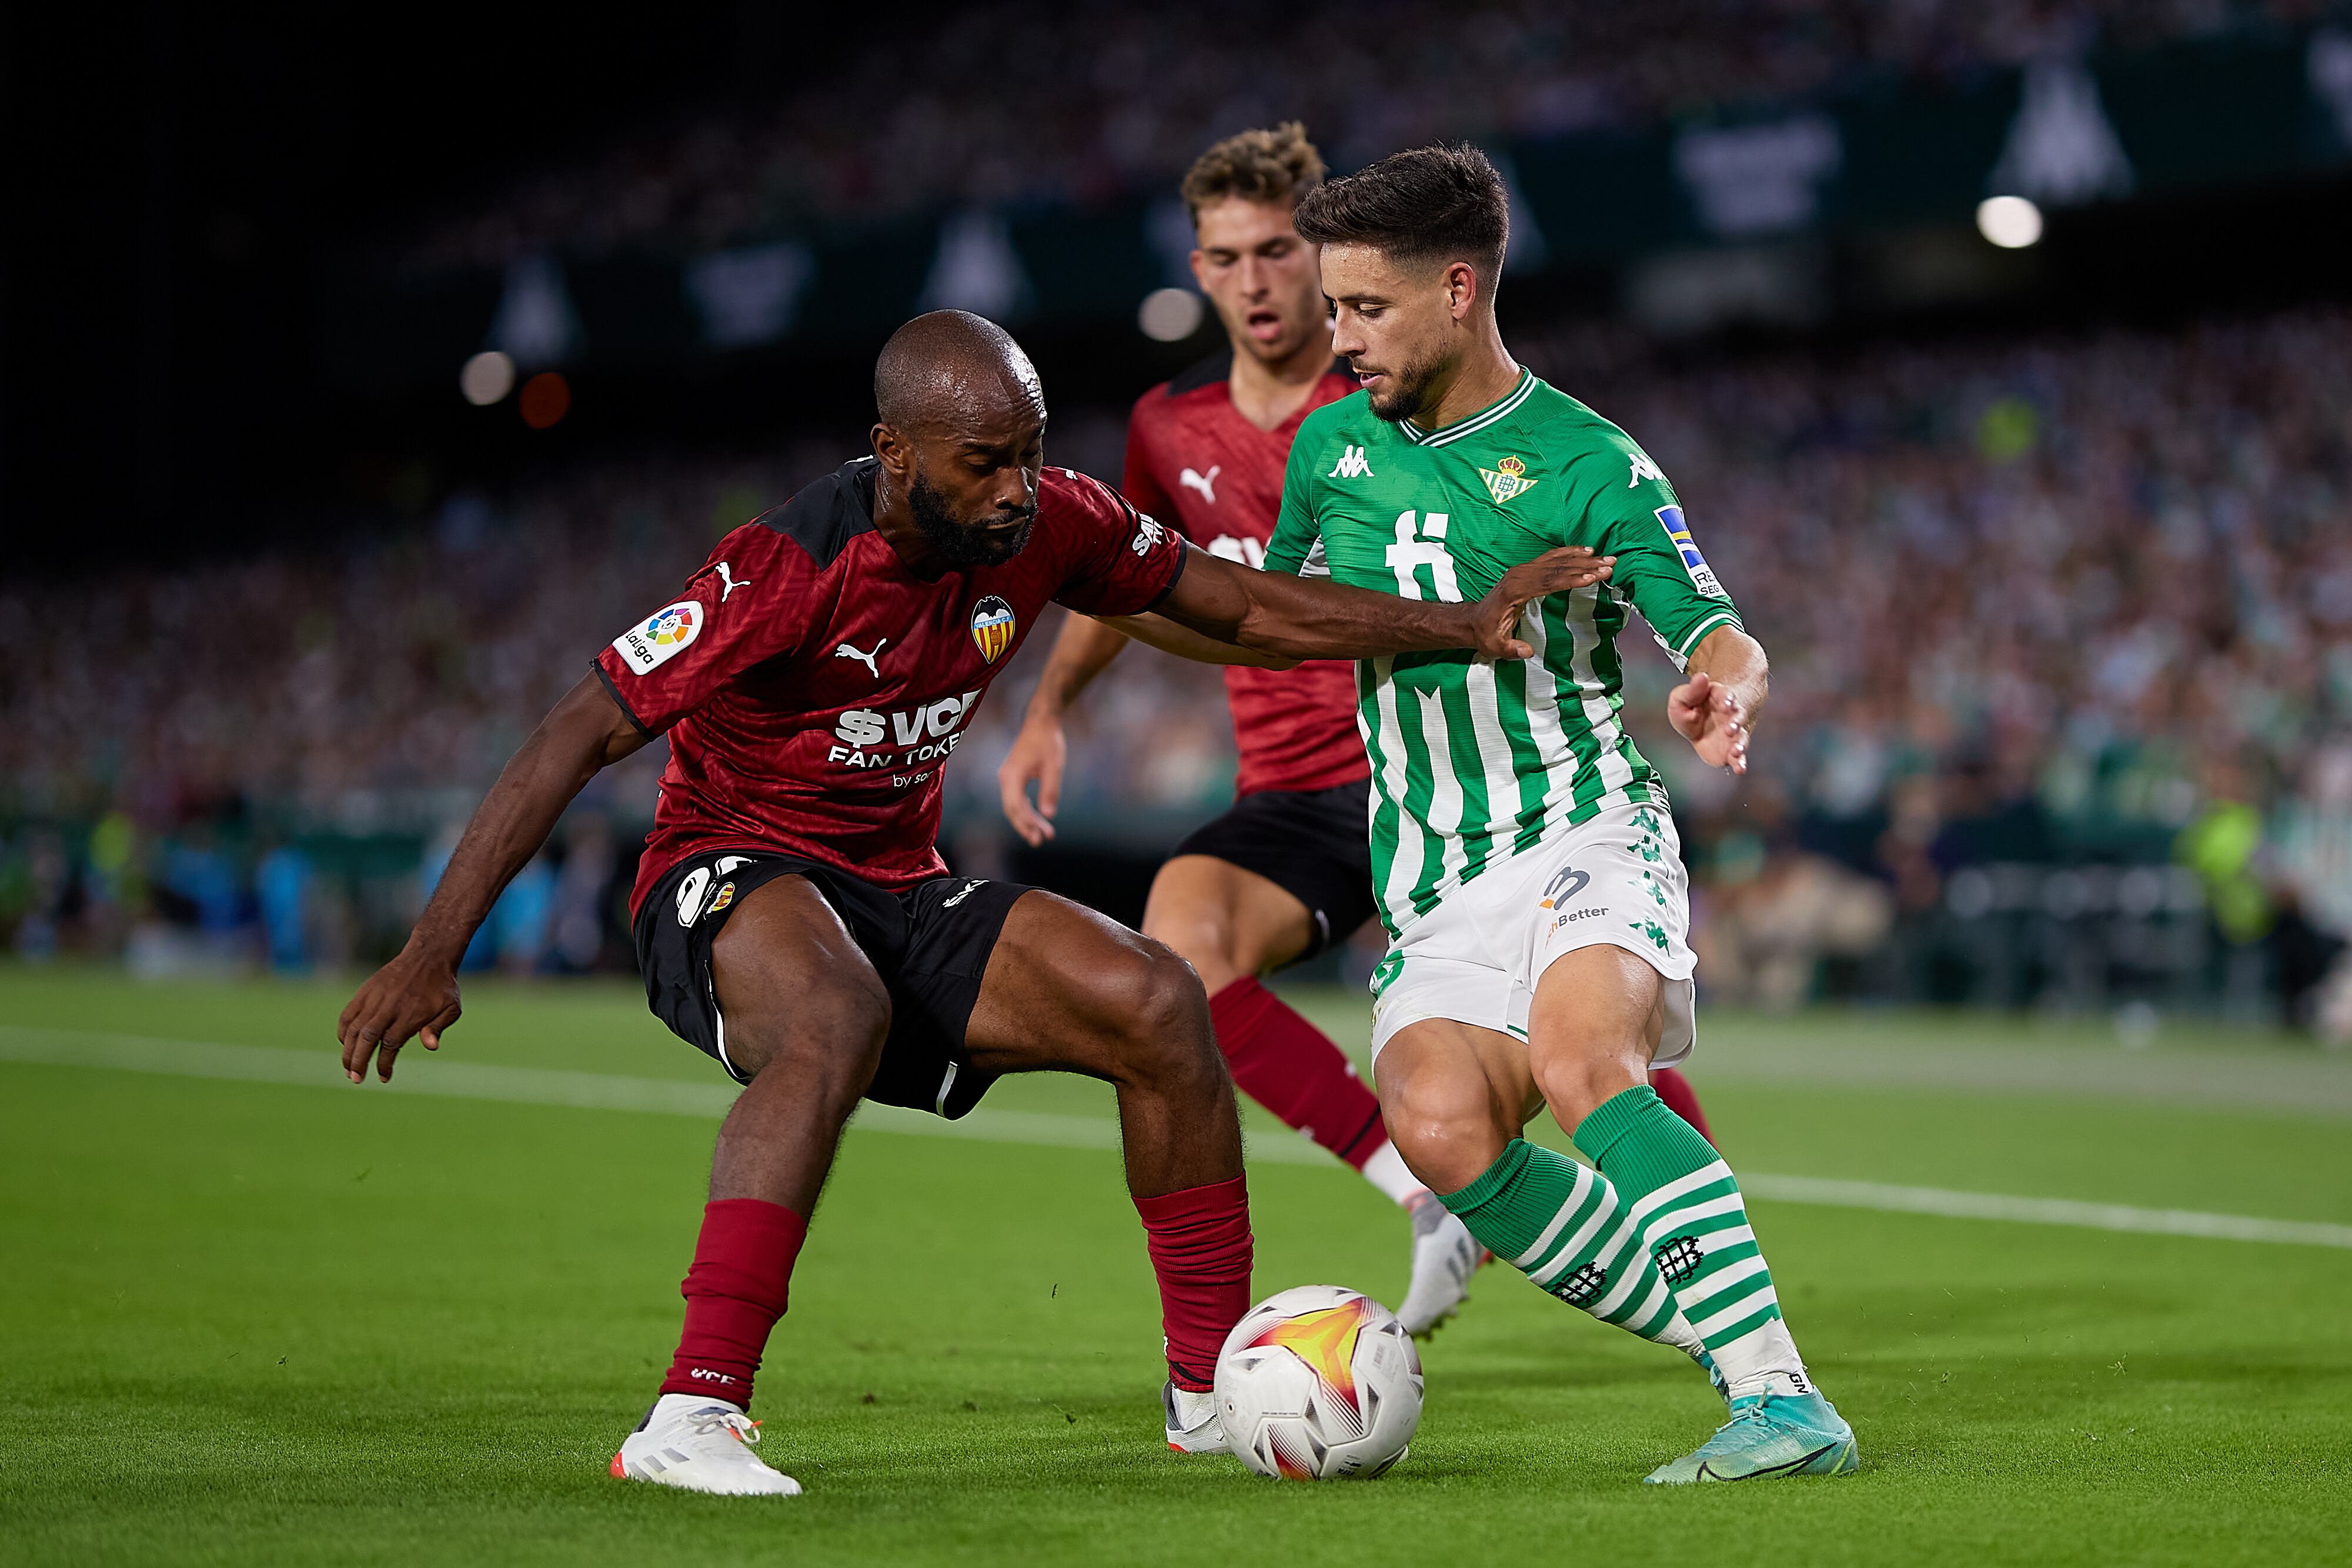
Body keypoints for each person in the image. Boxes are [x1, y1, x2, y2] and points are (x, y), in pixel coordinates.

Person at [334, 309, 1615, 1497]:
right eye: (982, 462)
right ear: (893, 452)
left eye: (1030, 455)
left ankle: (1202, 1394)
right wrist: (431, 949)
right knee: (828, 1012)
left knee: (1159, 998)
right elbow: (574, 730)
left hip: (897, 880)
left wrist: (1454, 622)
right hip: (723, 873)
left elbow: (1233, 603)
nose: (1013, 490)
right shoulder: (784, 564)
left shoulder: (1051, 520)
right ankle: (691, 1415)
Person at [1000, 126, 1718, 1338]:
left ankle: (1698, 1260)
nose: (1257, 282)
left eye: (1279, 250)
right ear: (1197, 268)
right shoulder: (1169, 430)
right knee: (1184, 940)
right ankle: (1421, 1194)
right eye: (1224, 258)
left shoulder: (1391, 399)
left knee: (1572, 1042)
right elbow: (1149, 577)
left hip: (1441, 775)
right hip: (1293, 788)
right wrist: (1048, 705)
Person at [1269, 145, 1859, 1483]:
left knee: (1584, 1058)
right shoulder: (1328, 445)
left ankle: (1779, 1395)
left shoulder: (1592, 459)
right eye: (1332, 305)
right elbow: (1271, 610)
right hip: (1431, 872)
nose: (1338, 334)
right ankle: (1726, 1341)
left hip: (1583, 824)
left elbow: (1714, 628)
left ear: (1458, 289)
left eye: (1363, 307)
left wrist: (1721, 691)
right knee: (1436, 1123)